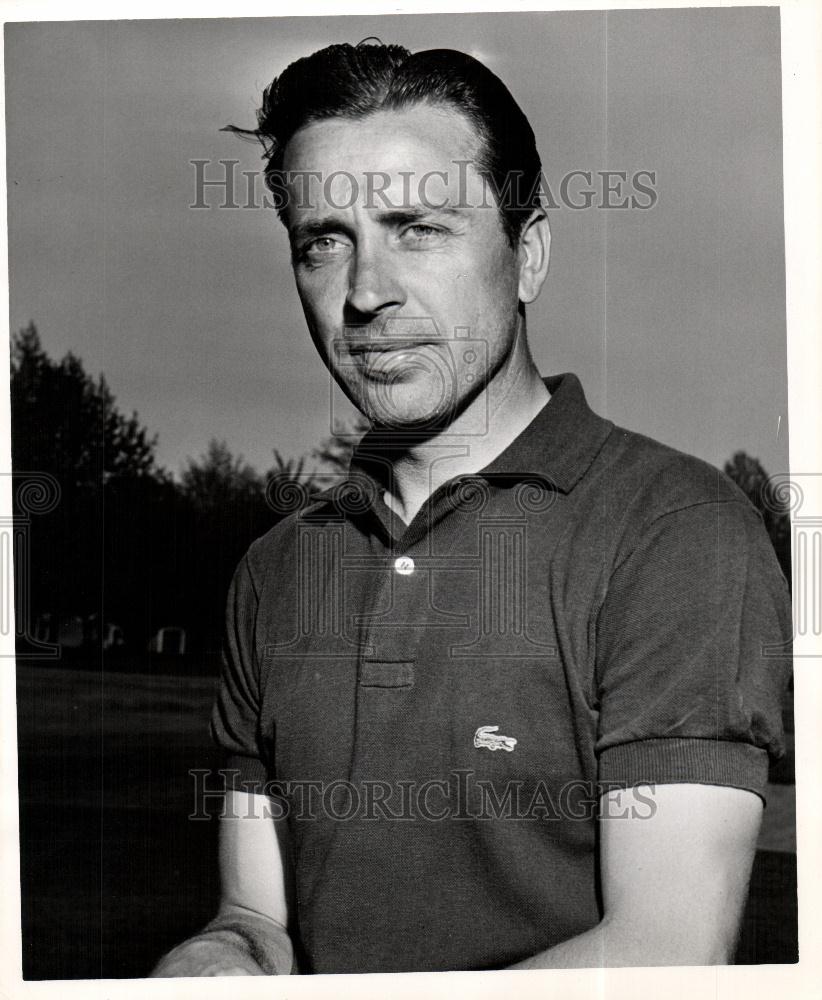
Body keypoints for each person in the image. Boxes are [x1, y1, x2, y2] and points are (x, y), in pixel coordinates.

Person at [152, 41, 792, 976]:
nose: (364, 293)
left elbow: (666, 951)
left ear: (527, 254)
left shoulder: (674, 532)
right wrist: (216, 958)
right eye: (323, 242)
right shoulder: (276, 571)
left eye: (418, 227)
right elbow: (256, 913)